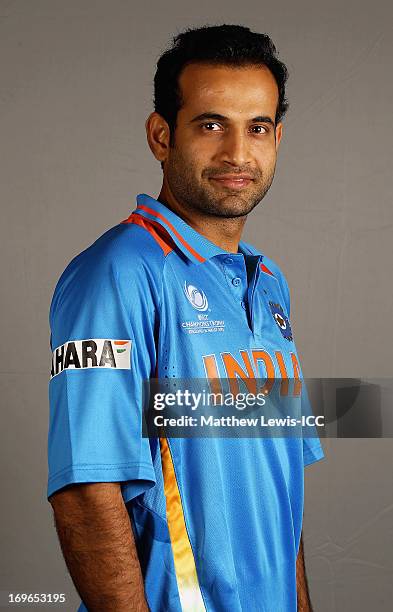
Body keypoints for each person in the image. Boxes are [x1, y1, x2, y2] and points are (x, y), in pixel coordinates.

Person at [47, 24, 324, 612]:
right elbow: (86, 490)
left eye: (258, 128)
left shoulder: (269, 283)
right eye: (211, 124)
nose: (238, 154)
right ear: (160, 135)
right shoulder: (119, 272)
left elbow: (280, 495)